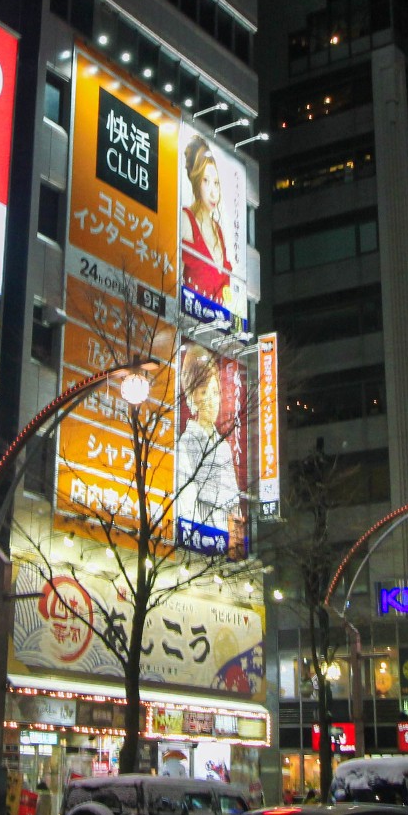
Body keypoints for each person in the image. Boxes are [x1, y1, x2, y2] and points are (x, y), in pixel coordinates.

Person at [174, 347, 242, 549]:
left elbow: (234, 503)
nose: (212, 400)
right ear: (192, 396)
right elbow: (185, 504)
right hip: (200, 534)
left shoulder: (223, 447)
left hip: (225, 538)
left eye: (215, 392)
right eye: (204, 392)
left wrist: (235, 543)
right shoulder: (185, 444)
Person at [179, 134, 237, 313]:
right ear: (196, 181)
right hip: (188, 327)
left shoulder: (218, 230)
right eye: (206, 181)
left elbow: (226, 290)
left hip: (216, 330)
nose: (214, 192)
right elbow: (173, 277)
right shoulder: (186, 219)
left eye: (217, 183)